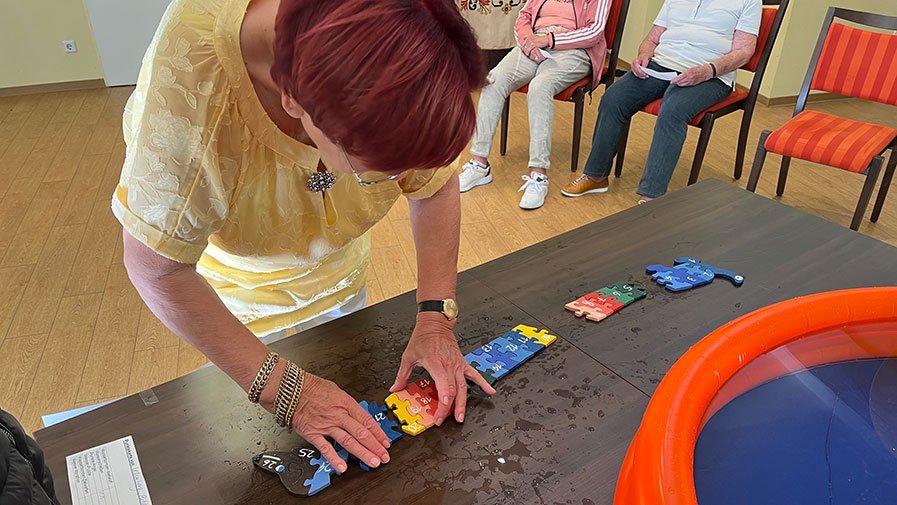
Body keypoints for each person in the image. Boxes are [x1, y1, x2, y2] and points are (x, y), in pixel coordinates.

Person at [115, 0, 496, 474]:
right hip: (238, 298)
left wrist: (436, 318)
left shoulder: (414, 32)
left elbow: (435, 188)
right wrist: (286, 393)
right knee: (250, 458)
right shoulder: (193, 89)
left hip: (343, 275)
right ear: (291, 99)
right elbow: (159, 269)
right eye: (376, 173)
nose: (402, 181)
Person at [562, 0, 761, 203]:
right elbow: (652, 39)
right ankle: (596, 176)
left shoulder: (748, 1)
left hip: (711, 75)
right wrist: (643, 55)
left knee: (672, 110)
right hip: (660, 65)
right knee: (614, 99)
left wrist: (707, 70)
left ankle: (651, 196)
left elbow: (744, 52)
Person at [458, 0, 611, 210]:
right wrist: (528, 40)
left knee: (540, 86)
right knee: (492, 81)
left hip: (573, 50)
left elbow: (594, 32)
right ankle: (479, 164)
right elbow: (523, 15)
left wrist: (548, 39)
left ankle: (539, 176)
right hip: (533, 46)